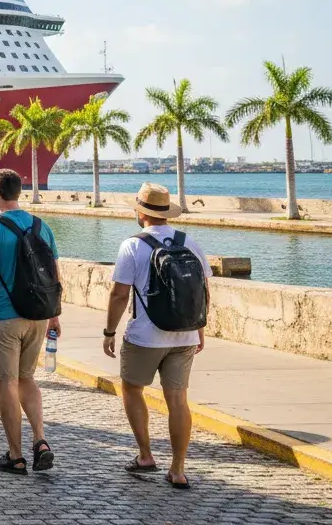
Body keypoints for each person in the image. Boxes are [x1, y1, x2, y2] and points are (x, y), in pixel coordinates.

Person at [103, 183, 211, 490]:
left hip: (145, 336)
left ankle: (146, 455)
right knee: (178, 400)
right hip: (185, 335)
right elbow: (202, 292)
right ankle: (178, 470)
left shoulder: (133, 245)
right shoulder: (189, 241)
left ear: (141, 212)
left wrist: (109, 331)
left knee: (132, 389)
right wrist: (198, 329)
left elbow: (119, 294)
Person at [0, 168, 61, 475]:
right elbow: (54, 275)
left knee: (6, 383)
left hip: (4, 317)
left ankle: (16, 455)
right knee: (27, 379)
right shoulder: (42, 226)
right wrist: (55, 315)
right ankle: (40, 440)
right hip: (38, 316)